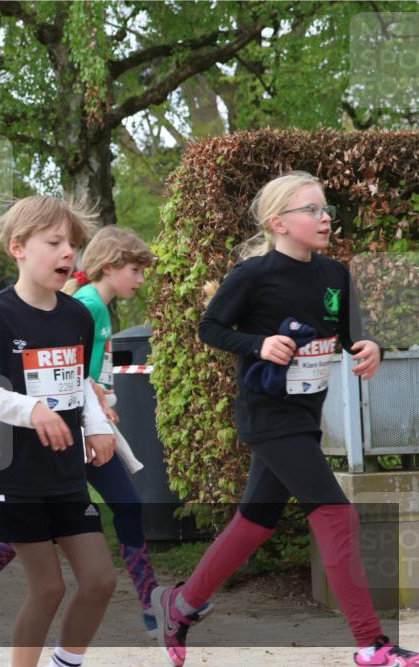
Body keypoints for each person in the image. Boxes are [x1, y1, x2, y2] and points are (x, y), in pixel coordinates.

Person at [151, 171, 417, 667]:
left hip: (304, 414)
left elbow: (352, 332)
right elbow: (210, 327)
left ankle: (179, 604)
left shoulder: (334, 274)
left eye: (326, 211)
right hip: (268, 414)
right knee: (337, 513)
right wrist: (258, 344)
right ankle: (372, 643)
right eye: (312, 210)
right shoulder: (253, 275)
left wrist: (372, 347)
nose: (324, 219)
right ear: (279, 222)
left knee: (255, 522)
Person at [0, 195, 118, 667]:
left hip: (66, 474)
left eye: (73, 244)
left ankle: (64, 662)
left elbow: (80, 382)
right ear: (17, 247)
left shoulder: (77, 315)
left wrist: (97, 426)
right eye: (54, 242)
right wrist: (34, 410)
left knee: (100, 580)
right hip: (13, 476)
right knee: (49, 586)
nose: (68, 254)